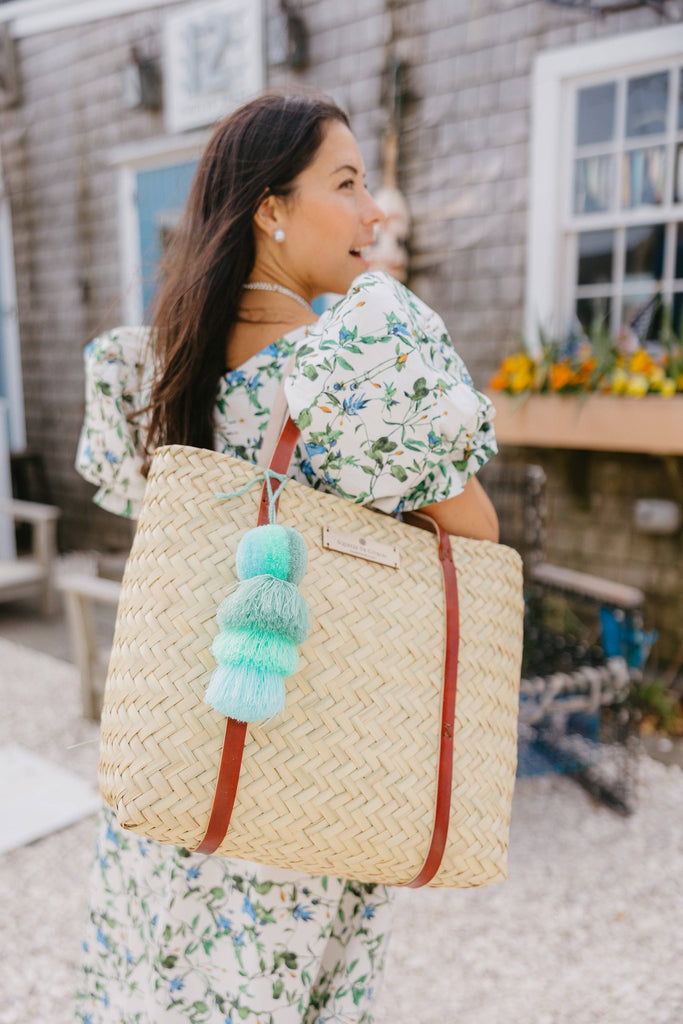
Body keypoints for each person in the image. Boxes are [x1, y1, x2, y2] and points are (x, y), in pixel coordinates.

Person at [74, 91, 499, 1024]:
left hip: (171, 772)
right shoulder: (348, 372)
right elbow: (476, 535)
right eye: (346, 184)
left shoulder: (158, 363)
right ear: (270, 208)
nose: (372, 213)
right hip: (301, 786)